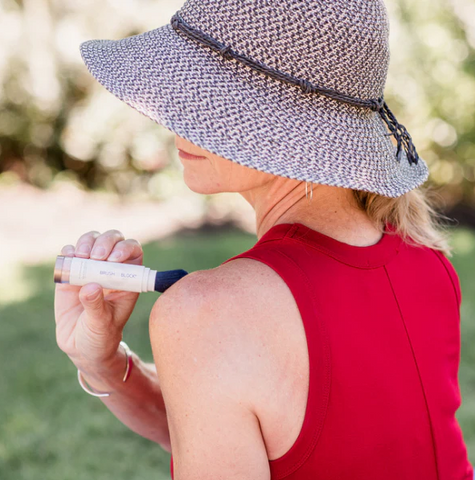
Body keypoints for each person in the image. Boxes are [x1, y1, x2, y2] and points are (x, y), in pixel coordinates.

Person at [54, 0, 474, 479]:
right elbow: (239, 439)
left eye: (208, 94)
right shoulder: (430, 264)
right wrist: (105, 364)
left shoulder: (205, 313)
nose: (172, 117)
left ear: (286, 130)